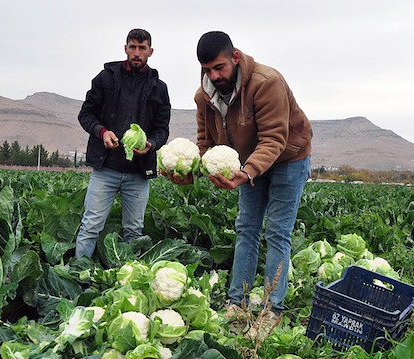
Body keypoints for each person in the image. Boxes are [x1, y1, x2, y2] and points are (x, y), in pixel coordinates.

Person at [164, 31, 312, 336]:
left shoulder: (266, 82)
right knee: (246, 229)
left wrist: (246, 174)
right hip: (248, 162)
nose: (214, 75)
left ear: (235, 57)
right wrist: (191, 172)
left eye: (219, 67)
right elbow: (206, 143)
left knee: (277, 232)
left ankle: (272, 310)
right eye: (207, 70)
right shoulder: (203, 96)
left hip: (288, 158)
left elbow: (274, 138)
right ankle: (237, 303)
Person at [75, 28, 171, 258]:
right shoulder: (106, 78)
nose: (137, 52)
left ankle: (126, 282)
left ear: (151, 51)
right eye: (132, 47)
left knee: (134, 232)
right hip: (106, 167)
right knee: (91, 226)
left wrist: (150, 144)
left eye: (142, 48)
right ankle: (77, 277)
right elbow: (86, 114)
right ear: (125, 48)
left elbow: (162, 129)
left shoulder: (159, 88)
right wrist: (103, 132)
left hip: (138, 173)